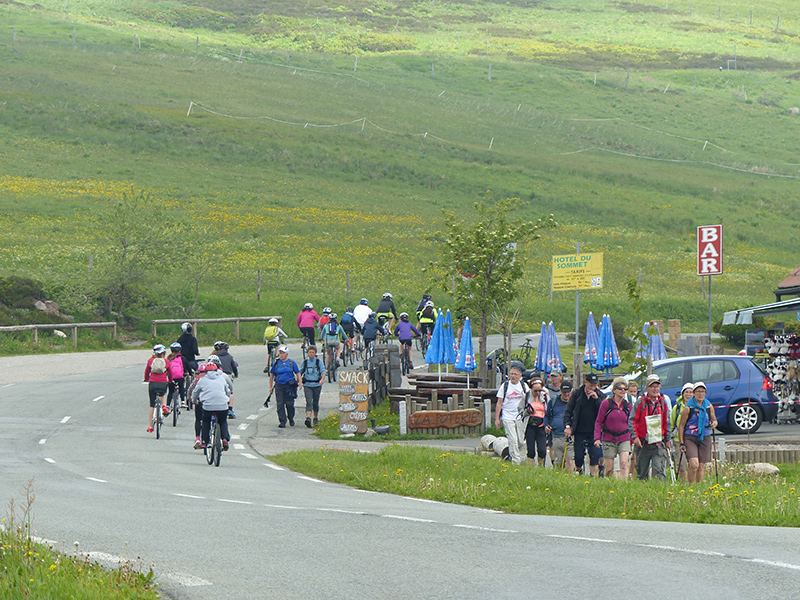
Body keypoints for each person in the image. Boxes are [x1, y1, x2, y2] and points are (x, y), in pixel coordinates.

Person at [628, 373, 671, 481]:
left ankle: (661, 494)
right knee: (642, 473)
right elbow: (632, 420)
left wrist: (667, 439)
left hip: (658, 442)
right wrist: (635, 437)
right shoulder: (640, 402)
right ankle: (644, 494)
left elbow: (667, 422)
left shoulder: (663, 402)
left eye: (657, 386)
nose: (655, 389)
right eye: (652, 386)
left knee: (659, 471)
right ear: (647, 388)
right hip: (643, 443)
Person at [564, 372, 605, 476]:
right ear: (586, 382)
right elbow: (568, 411)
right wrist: (568, 426)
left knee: (594, 455)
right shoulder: (577, 394)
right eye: (591, 385)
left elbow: (603, 411)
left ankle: (594, 475)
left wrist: (597, 399)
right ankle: (579, 471)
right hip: (579, 431)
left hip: (594, 431)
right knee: (578, 456)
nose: (593, 387)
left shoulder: (600, 395)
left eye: (595, 385)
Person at [677, 382, 718, 484]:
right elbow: (681, 426)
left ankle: (698, 487)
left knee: (701, 465)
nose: (701, 394)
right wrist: (682, 442)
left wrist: (714, 423)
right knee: (694, 464)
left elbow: (715, 420)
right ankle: (691, 486)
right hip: (690, 437)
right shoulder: (688, 408)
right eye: (698, 391)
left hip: (705, 436)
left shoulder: (708, 406)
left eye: (703, 391)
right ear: (694, 393)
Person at [594, 377, 632, 479]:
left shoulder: (627, 406)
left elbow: (632, 423)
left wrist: (634, 438)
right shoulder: (606, 404)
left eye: (625, 389)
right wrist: (597, 438)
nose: (622, 391)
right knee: (609, 468)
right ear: (614, 390)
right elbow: (598, 421)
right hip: (609, 438)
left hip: (624, 438)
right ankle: (608, 483)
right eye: (620, 388)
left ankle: (624, 485)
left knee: (624, 464)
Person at [191, 356, 231, 452]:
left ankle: (204, 441)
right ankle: (224, 438)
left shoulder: (202, 380)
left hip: (208, 406)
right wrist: (227, 400)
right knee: (223, 421)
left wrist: (194, 400)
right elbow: (228, 391)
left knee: (205, 421)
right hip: (222, 405)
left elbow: (195, 392)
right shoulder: (222, 378)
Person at [494, 364, 531, 465]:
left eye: (515, 374)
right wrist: (497, 418)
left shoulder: (524, 386)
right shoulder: (505, 386)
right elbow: (499, 402)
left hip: (520, 417)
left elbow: (529, 399)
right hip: (507, 416)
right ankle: (515, 461)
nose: (513, 376)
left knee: (521, 440)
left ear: (520, 376)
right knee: (513, 439)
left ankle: (523, 459)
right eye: (511, 374)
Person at [269, 345, 302, 428]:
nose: (281, 355)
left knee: (289, 404)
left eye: (283, 353)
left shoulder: (291, 362)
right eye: (280, 353)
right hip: (279, 385)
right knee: (280, 404)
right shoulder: (276, 363)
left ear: (287, 354)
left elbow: (298, 373)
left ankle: (291, 417)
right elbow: (272, 375)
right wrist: (270, 387)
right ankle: (282, 421)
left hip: (289, 386)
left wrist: (300, 382)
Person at [546, 380, 574, 471]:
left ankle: (570, 479)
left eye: (568, 392)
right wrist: (546, 425)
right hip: (556, 436)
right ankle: (559, 479)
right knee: (558, 462)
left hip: (571, 436)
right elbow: (547, 416)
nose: (566, 394)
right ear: (560, 391)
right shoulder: (553, 401)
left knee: (570, 460)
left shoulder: (575, 403)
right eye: (564, 392)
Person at [143, 344, 172, 433]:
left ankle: (151, 426)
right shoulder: (166, 361)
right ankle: (164, 405)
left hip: (153, 383)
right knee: (162, 395)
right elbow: (170, 373)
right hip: (163, 383)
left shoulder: (151, 361)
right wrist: (170, 380)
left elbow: (146, 371)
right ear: (164, 353)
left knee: (152, 405)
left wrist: (146, 379)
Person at [670, 382, 694, 482]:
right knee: (682, 465)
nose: (688, 394)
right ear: (682, 394)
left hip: (693, 439)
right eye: (686, 392)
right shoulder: (677, 408)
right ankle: (684, 483)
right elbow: (672, 422)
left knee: (693, 463)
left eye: (691, 392)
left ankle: (692, 482)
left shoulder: (697, 406)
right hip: (678, 439)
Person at [299, 346, 326, 428]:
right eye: (310, 352)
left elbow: (323, 372)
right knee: (309, 401)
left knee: (315, 402)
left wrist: (322, 380)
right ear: (307, 353)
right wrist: (299, 381)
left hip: (317, 385)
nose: (311, 354)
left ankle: (315, 417)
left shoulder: (319, 362)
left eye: (313, 352)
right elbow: (299, 372)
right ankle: (308, 418)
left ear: (315, 353)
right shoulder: (305, 362)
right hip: (307, 385)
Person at [524, 378, 548, 466]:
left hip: (541, 426)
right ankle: (531, 468)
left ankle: (541, 467)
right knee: (530, 450)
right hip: (530, 425)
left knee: (542, 449)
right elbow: (519, 410)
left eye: (539, 390)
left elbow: (548, 411)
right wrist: (527, 411)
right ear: (531, 389)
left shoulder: (545, 397)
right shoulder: (526, 397)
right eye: (535, 391)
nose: (537, 393)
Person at [213, 341, 238, 419]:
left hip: (218, 374)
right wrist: (236, 374)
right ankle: (230, 408)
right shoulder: (230, 357)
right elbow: (234, 367)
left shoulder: (215, 356)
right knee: (230, 391)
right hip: (228, 374)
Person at [166, 342, 187, 409]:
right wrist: (188, 372)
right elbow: (187, 367)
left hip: (171, 377)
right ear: (180, 350)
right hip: (180, 377)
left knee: (171, 391)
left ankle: (168, 405)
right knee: (181, 387)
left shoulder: (169, 358)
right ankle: (183, 401)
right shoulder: (182, 358)